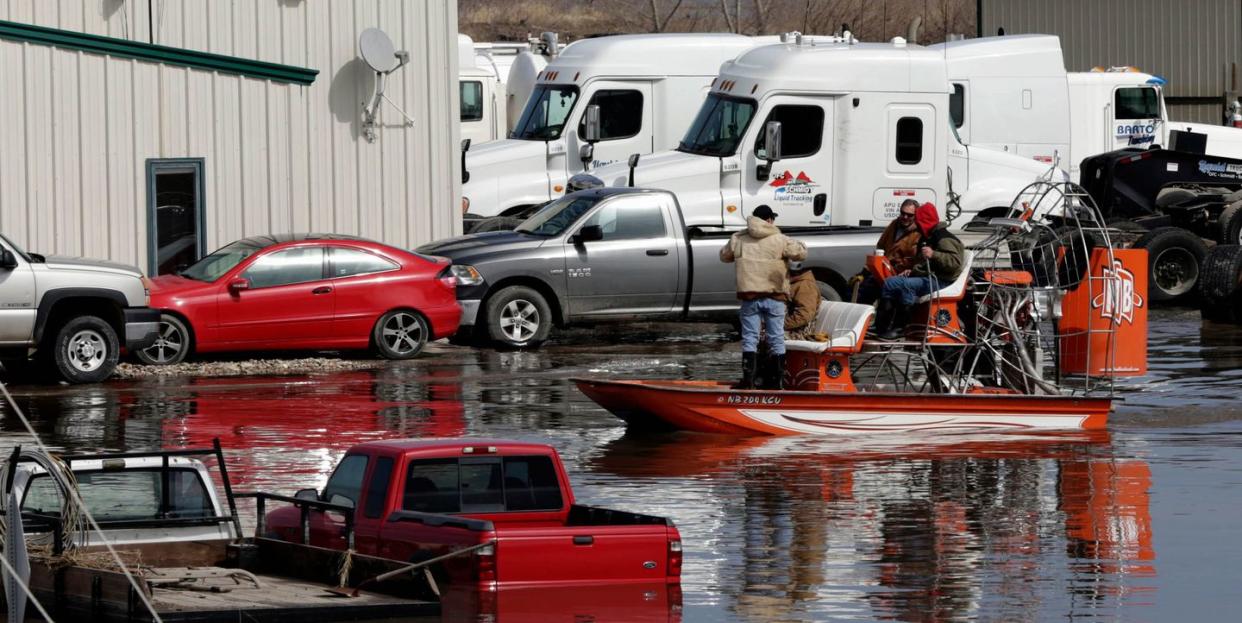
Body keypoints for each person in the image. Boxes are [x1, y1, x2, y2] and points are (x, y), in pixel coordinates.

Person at [720, 205, 808, 389]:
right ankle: (777, 384)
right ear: (769, 220)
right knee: (776, 338)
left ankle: (748, 382)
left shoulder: (739, 238)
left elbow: (724, 256)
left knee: (750, 338)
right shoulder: (780, 239)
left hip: (749, 297)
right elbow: (801, 254)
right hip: (775, 297)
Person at [872, 202, 965, 341]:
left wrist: (934, 254)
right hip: (930, 277)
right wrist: (913, 271)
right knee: (890, 283)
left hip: (943, 281)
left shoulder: (943, 238)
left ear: (924, 222)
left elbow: (954, 263)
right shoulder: (928, 237)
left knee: (907, 285)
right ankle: (881, 326)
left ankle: (901, 328)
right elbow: (923, 263)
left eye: (917, 221)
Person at [853, 199, 923, 304]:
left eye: (909, 215)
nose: (905, 217)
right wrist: (866, 271)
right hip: (885, 269)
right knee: (862, 288)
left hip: (903, 274)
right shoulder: (894, 224)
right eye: (903, 213)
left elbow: (919, 258)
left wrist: (910, 269)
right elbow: (881, 246)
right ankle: (866, 317)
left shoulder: (919, 232)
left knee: (888, 300)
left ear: (915, 215)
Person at [784, 260, 821, 341]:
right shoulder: (793, 283)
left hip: (797, 332)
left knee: (755, 335)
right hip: (784, 326)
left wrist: (777, 324)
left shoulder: (805, 286)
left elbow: (804, 315)